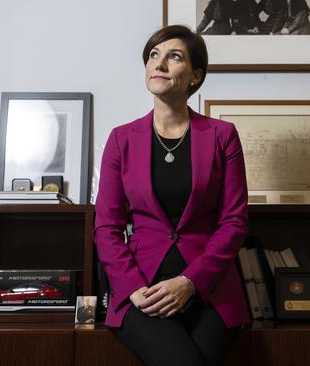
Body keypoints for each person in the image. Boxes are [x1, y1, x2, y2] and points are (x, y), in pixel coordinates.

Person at [93, 25, 250, 366]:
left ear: (195, 76)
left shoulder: (223, 136)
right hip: (142, 291)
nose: (159, 64)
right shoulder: (121, 139)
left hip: (211, 290)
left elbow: (234, 222)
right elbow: (106, 228)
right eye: (153, 55)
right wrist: (132, 288)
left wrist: (190, 282)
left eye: (173, 56)